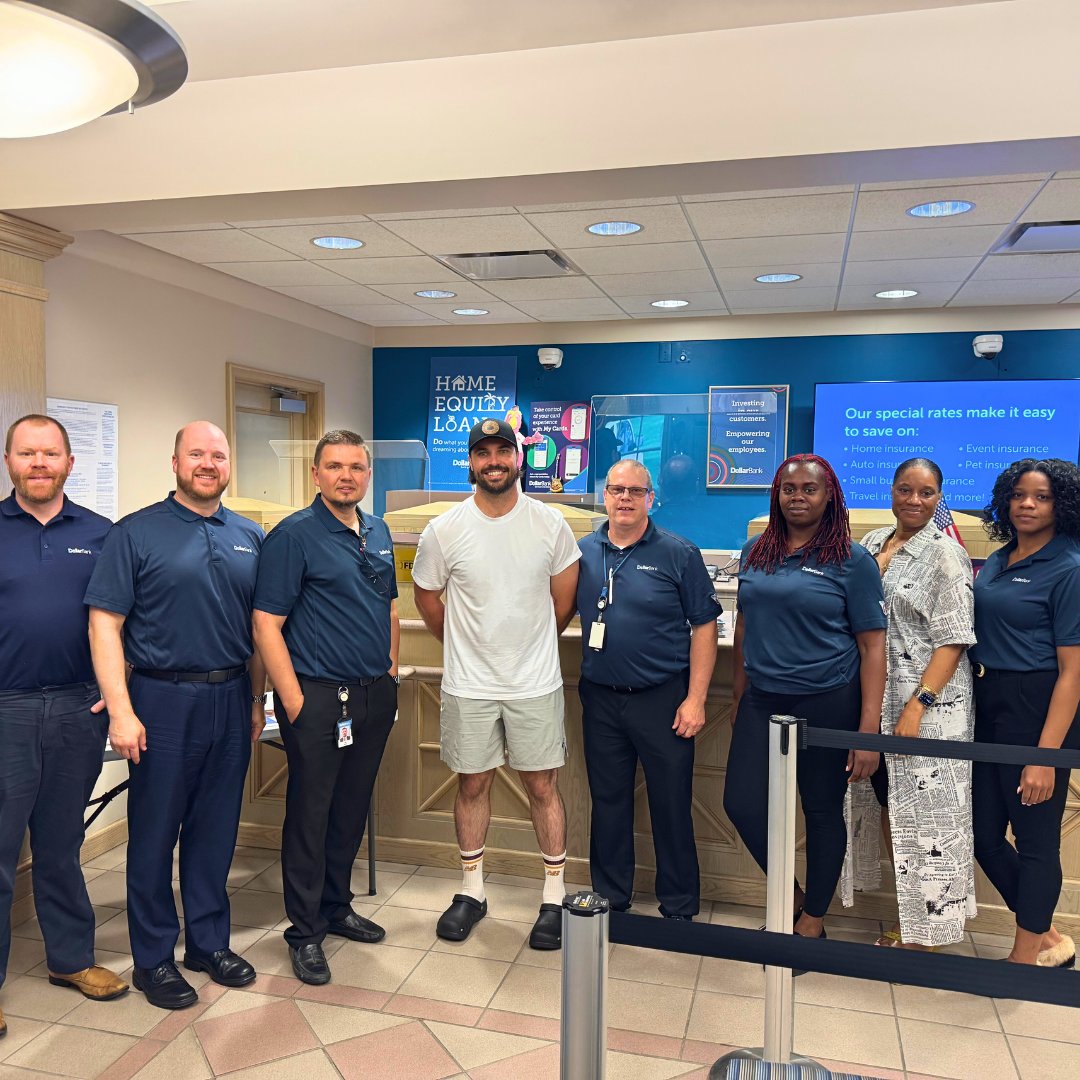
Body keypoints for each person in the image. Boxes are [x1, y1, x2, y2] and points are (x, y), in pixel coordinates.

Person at [86, 422, 265, 1010]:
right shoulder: (135, 534)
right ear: (175, 462)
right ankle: (154, 958)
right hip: (161, 700)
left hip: (232, 696)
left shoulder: (249, 535)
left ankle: (209, 943)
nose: (208, 463)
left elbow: (261, 630)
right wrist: (121, 709)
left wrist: (258, 701)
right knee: (155, 832)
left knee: (216, 830)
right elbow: (105, 624)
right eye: (197, 454)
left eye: (218, 454)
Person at [412, 418, 580, 949]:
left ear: (519, 458)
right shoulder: (445, 530)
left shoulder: (550, 525)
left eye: (502, 451)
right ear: (470, 462)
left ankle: (553, 897)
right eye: (482, 453)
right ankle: (471, 892)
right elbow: (428, 599)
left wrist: (524, 645)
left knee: (543, 787)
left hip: (534, 683)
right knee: (472, 784)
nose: (493, 461)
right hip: (469, 685)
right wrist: (469, 645)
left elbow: (562, 603)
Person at [252, 430, 399, 986]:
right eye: (334, 466)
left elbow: (387, 604)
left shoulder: (377, 530)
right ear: (315, 474)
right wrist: (291, 700)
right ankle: (305, 931)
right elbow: (266, 623)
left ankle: (337, 905)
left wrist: (389, 668)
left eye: (357, 467)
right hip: (317, 697)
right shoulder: (294, 536)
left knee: (351, 806)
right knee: (311, 814)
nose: (347, 475)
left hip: (371, 694)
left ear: (367, 475)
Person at [723, 454, 886, 948]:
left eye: (809, 489)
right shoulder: (755, 551)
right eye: (788, 488)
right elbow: (746, 626)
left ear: (829, 495)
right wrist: (738, 693)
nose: (798, 496)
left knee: (820, 810)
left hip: (829, 701)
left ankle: (812, 921)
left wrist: (866, 731)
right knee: (742, 806)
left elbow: (872, 645)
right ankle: (791, 898)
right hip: (762, 700)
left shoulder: (851, 560)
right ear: (776, 494)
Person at [0, 415, 129, 1037]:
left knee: (60, 845)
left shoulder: (102, 535)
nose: (40, 463)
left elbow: (122, 622)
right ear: (9, 462)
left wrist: (116, 689)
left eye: (50, 453)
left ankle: (71, 960)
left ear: (69, 463)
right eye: (28, 453)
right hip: (6, 709)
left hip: (80, 709)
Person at [576, 459, 719, 918]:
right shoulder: (581, 551)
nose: (624, 499)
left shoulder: (679, 553)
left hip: (663, 698)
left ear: (650, 499)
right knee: (609, 802)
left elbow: (704, 626)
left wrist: (695, 698)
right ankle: (611, 898)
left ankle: (678, 905)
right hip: (599, 696)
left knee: (671, 804)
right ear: (605, 496)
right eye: (616, 489)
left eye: (635, 492)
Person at [852, 458, 977, 950]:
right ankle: (913, 920)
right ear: (892, 491)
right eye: (906, 490)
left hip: (928, 709)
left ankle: (928, 937)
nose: (914, 501)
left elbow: (954, 640)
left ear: (938, 497)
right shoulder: (871, 543)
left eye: (926, 493)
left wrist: (917, 706)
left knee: (934, 821)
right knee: (895, 811)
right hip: (877, 703)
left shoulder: (946, 555)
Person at [970, 457, 1080, 967]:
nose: (1027, 505)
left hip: (1035, 707)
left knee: (1035, 842)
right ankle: (1049, 937)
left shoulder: (1070, 567)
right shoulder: (998, 558)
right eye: (1018, 495)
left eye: (1041, 497)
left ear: (1062, 505)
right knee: (984, 836)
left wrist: (1044, 756)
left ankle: (1022, 959)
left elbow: (1073, 674)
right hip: (987, 702)